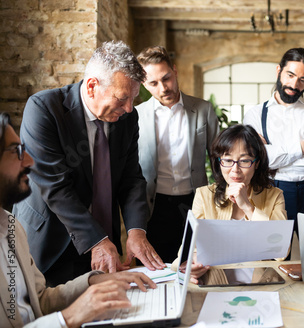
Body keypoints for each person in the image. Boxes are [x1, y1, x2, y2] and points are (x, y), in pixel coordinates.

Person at [12, 41, 165, 287]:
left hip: (105, 243)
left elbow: (131, 178)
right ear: (92, 86)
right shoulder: (44, 109)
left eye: (133, 99)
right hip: (51, 242)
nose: (128, 108)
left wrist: (137, 230)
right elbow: (55, 186)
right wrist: (96, 240)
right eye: (122, 98)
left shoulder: (127, 119)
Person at [0, 112, 157, 328]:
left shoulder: (11, 226)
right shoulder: (46, 108)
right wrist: (70, 318)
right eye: (16, 151)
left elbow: (40, 300)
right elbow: (56, 188)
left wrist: (95, 281)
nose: (29, 161)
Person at [172, 124, 287, 284]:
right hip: (215, 286)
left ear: (257, 163)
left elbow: (280, 251)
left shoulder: (274, 196)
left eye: (245, 161)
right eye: (227, 160)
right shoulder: (204, 195)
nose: (235, 170)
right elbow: (186, 253)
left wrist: (248, 207)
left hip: (261, 285)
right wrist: (192, 262)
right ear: (219, 162)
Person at [136, 46, 219, 263]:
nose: (163, 88)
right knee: (156, 270)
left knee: (197, 266)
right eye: (154, 83)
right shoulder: (136, 116)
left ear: (175, 71)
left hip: (194, 202)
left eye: (167, 78)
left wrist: (219, 201)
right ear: (144, 84)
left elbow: (218, 158)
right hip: (153, 207)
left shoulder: (204, 109)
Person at [243, 48, 304, 236]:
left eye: (303, 80)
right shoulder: (254, 114)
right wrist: (301, 148)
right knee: (271, 257)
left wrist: (273, 161)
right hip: (270, 193)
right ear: (278, 70)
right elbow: (255, 159)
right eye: (290, 75)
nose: (294, 84)